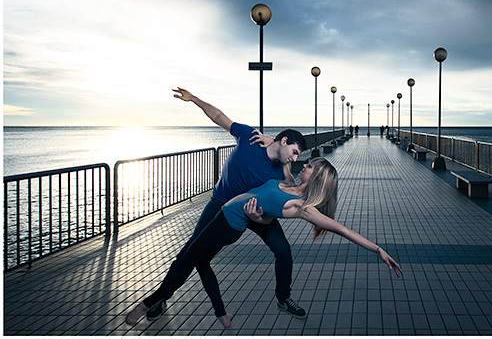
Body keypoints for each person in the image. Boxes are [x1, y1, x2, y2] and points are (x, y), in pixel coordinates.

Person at [125, 157, 402, 328]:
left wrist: (377, 249)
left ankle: (149, 302)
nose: (303, 164)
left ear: (315, 177)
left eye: (308, 166)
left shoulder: (303, 207)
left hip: (228, 224)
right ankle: (222, 315)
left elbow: (342, 229)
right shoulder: (289, 181)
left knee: (186, 260)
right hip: (225, 215)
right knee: (200, 263)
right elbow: (280, 156)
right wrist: (267, 141)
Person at [145, 88, 307, 322]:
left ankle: (283, 297)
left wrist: (283, 162)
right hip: (220, 205)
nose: (294, 158)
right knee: (191, 251)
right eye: (293, 152)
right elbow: (219, 117)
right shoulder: (249, 137)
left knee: (283, 250)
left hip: (253, 210)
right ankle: (161, 297)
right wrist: (194, 100)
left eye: (297, 156)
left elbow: (290, 185)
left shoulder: (280, 167)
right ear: (284, 140)